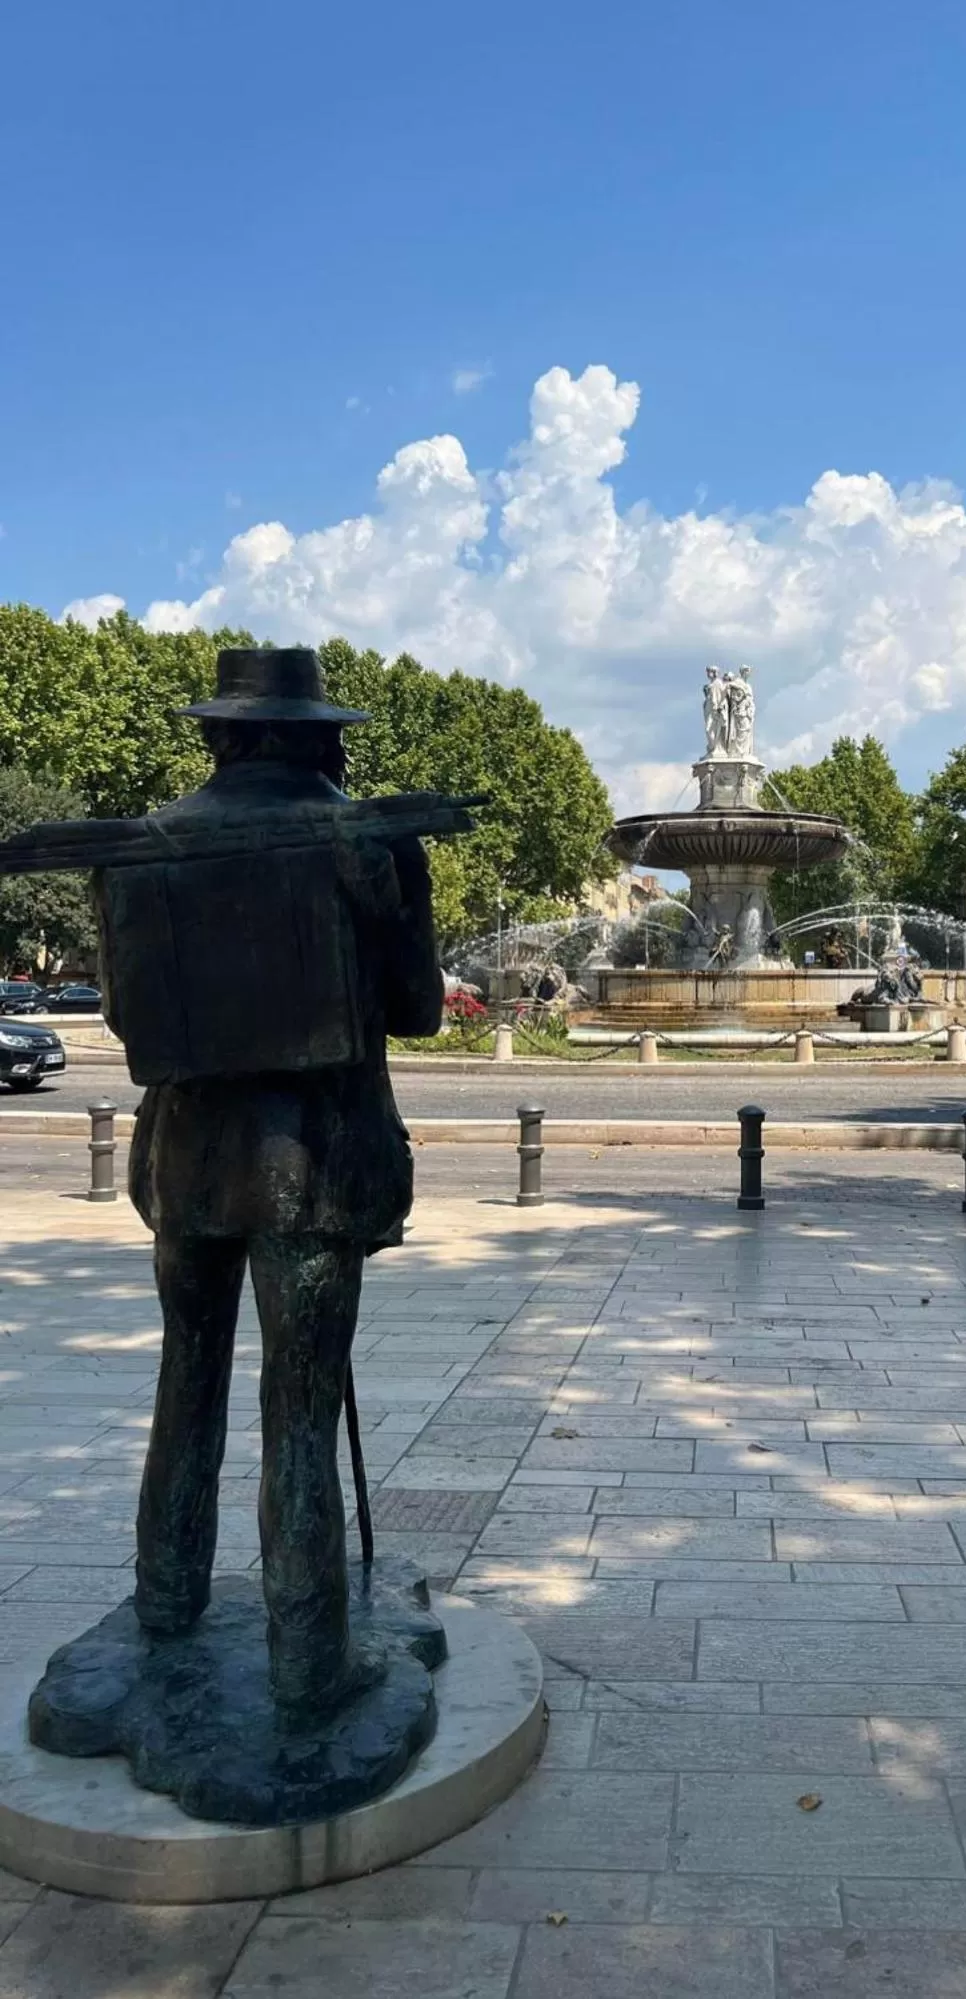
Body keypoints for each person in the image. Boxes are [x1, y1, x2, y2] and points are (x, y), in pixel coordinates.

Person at [100, 648, 446, 1717]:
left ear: (221, 738)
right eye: (332, 735)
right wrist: (387, 906)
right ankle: (309, 1662)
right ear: (314, 740)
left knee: (186, 1378)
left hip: (186, 1161)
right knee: (300, 1409)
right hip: (315, 1161)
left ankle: (166, 1600)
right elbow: (419, 1010)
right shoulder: (368, 839)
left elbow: (121, 1012)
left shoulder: (144, 845)